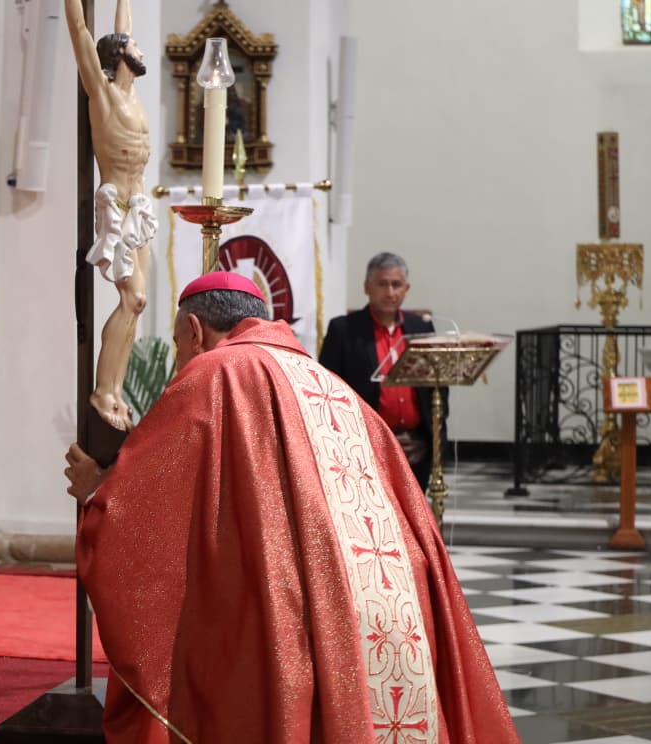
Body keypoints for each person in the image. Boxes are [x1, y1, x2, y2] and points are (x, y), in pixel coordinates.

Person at [63, 271, 519, 743]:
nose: (180, 358)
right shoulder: (329, 383)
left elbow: (149, 509)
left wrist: (98, 491)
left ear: (195, 331)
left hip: (302, 605)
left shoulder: (214, 373)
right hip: (391, 608)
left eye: (179, 344)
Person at [64, 0, 157, 432]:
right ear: (119, 55)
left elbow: (126, 23)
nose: (140, 50)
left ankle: (116, 390)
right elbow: (80, 32)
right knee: (131, 299)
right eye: (133, 47)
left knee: (138, 305)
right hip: (117, 206)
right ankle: (102, 389)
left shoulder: (133, 97)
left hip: (140, 208)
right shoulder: (102, 95)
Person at [319, 252, 447, 491]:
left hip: (416, 448)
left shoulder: (421, 327)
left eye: (396, 285)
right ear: (367, 287)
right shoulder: (344, 330)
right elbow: (326, 391)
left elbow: (437, 386)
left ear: (406, 289)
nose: (390, 292)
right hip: (365, 448)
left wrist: (429, 437)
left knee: (415, 512)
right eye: (382, 284)